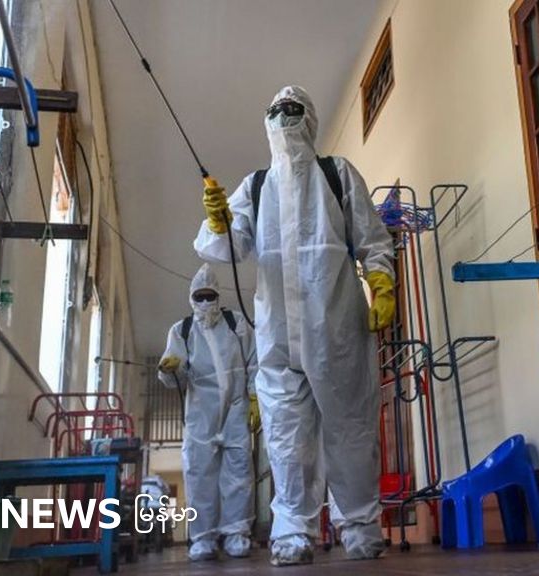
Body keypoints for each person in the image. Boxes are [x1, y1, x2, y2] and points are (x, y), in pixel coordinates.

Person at [194, 85, 396, 566]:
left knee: (350, 430)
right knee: (287, 440)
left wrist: (382, 282)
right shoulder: (255, 185)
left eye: (292, 109)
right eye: (275, 110)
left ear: (309, 118)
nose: (283, 118)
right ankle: (292, 531)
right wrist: (219, 222)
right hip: (278, 336)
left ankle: (359, 525)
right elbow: (226, 249)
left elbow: (372, 238)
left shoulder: (337, 173)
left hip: (336, 328)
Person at [158, 264, 259, 561]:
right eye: (199, 296)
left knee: (239, 471)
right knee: (200, 475)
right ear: (191, 297)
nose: (205, 302)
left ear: (218, 295)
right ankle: (203, 538)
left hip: (236, 410)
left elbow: (254, 363)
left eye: (209, 295)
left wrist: (255, 397)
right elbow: (174, 377)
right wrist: (168, 370)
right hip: (201, 414)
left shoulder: (236, 323)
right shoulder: (181, 331)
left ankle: (237, 533)